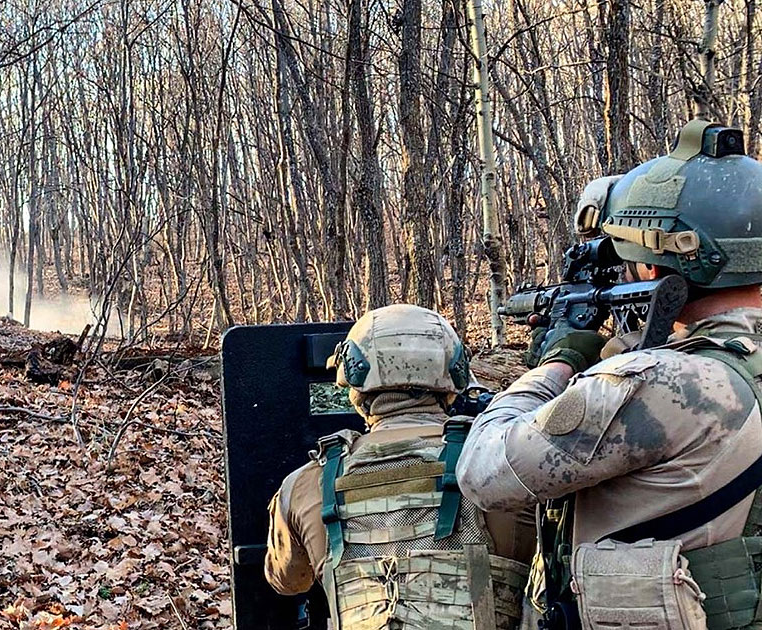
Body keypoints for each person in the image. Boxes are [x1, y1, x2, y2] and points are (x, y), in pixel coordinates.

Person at [457, 120, 762, 630]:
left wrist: (559, 362)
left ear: (654, 262)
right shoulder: (708, 368)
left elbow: (485, 474)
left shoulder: (663, 383)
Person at [265, 304, 536, 629]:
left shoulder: (306, 484)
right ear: (455, 375)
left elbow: (288, 581)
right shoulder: (500, 464)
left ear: (354, 382)